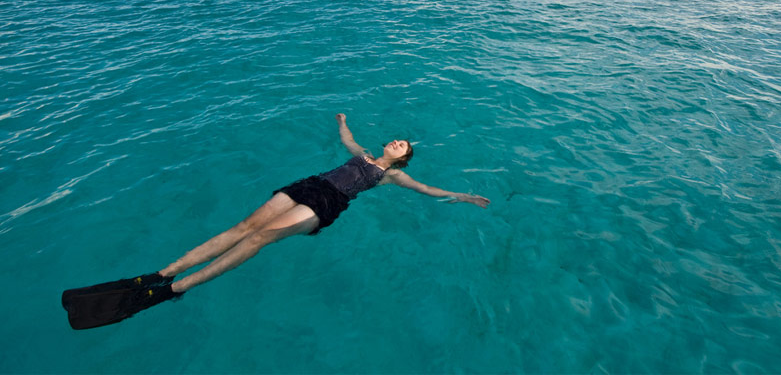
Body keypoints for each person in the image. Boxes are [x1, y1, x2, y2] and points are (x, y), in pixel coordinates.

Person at [62, 113, 490, 329]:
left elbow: (427, 190)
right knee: (240, 229)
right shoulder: (362, 154)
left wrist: (464, 196)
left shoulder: (392, 175)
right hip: (308, 185)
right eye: (398, 139)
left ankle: (173, 289)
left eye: (405, 146)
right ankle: (158, 273)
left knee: (260, 239)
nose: (400, 142)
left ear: (403, 159)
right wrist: (342, 122)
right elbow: (346, 139)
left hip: (328, 201)